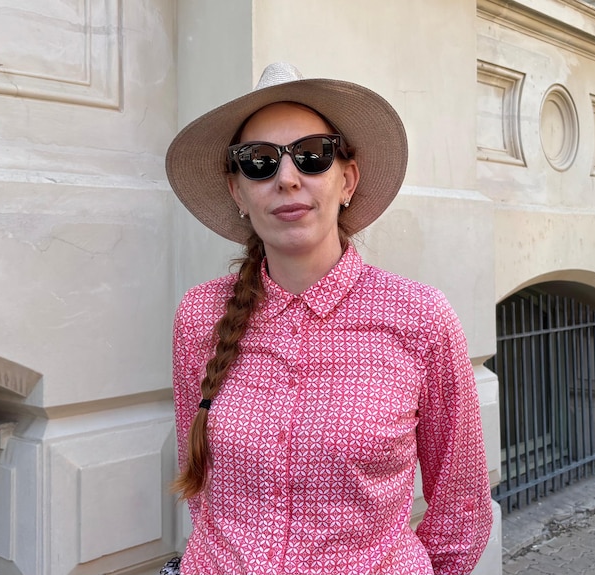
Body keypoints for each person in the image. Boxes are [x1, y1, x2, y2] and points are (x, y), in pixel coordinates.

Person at [164, 62, 492, 575]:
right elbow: (202, 486)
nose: (287, 179)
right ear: (238, 192)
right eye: (259, 162)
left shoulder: (421, 318)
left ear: (347, 180)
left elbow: (461, 508)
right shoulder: (200, 315)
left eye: (312, 156)